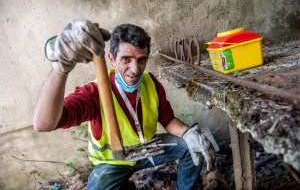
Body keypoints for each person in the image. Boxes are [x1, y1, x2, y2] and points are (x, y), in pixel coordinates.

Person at [33, 19, 216, 190]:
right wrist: (61, 67)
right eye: (126, 59)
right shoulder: (95, 92)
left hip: (145, 150)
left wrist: (188, 133)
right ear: (111, 59)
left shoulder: (150, 83)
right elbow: (43, 124)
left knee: (192, 148)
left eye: (141, 60)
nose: (135, 69)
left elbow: (167, 120)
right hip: (112, 163)